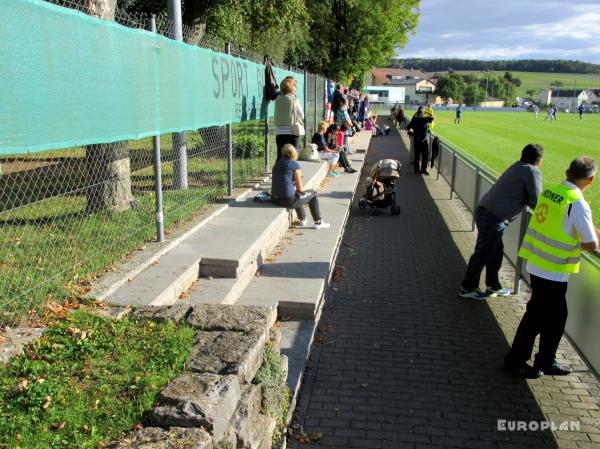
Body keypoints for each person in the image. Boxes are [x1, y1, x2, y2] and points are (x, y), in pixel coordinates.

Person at [504, 157, 599, 378]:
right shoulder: (577, 203)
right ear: (591, 180)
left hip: (538, 263)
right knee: (535, 319)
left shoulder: (551, 192)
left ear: (567, 171)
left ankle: (546, 360)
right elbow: (591, 243)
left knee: (556, 318)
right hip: (553, 271)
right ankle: (514, 361)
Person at [459, 144, 544, 299]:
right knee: (483, 253)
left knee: (495, 252)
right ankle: (467, 287)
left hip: (485, 211)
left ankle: (493, 286)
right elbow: (537, 202)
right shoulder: (532, 171)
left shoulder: (517, 165)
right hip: (494, 218)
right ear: (539, 161)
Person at [271, 144, 331, 229]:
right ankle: (318, 222)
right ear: (294, 153)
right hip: (287, 200)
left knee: (296, 193)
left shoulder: (277, 164)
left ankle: (302, 219)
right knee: (313, 194)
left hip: (274, 198)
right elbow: (300, 189)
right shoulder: (294, 164)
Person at [274, 76, 305, 161]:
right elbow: (302, 115)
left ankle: (277, 172)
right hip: (292, 132)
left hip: (279, 132)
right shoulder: (295, 100)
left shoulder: (277, 99)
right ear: (291, 88)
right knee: (293, 156)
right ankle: (293, 173)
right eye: (294, 87)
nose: (295, 89)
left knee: (280, 156)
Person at [406, 106, 434, 175]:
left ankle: (416, 170)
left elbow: (408, 127)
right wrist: (427, 112)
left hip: (416, 140)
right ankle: (423, 170)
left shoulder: (414, 119)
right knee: (425, 156)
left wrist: (413, 132)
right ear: (422, 113)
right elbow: (433, 117)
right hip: (423, 142)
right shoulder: (425, 119)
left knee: (417, 156)